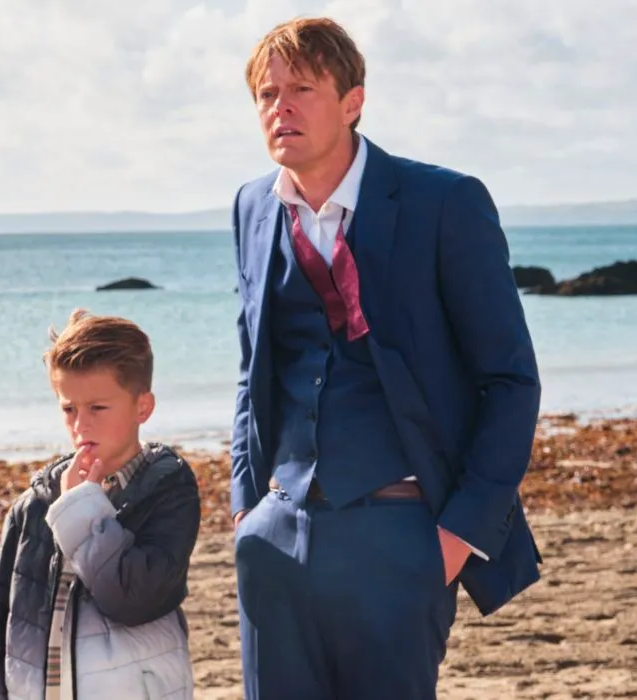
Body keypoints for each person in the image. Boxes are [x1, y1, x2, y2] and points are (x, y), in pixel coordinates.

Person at [229, 18, 543, 699]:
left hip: (401, 533)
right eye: (266, 92)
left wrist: (456, 536)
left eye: (302, 88)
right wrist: (245, 511)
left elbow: (511, 381)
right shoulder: (252, 207)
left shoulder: (443, 203)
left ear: (353, 101)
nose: (280, 106)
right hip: (277, 535)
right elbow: (253, 371)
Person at [0, 309, 200, 699]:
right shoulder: (34, 504)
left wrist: (82, 505)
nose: (80, 425)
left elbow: (131, 599)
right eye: (69, 409)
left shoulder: (168, 489)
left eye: (98, 408)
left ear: (143, 407)